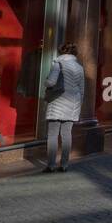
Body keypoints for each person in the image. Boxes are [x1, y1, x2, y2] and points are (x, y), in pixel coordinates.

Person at [43, 42, 85, 172]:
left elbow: (51, 82)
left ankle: (51, 165)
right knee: (67, 134)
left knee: (52, 135)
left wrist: (45, 81)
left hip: (57, 102)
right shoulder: (79, 67)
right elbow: (82, 89)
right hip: (72, 103)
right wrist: (78, 105)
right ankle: (64, 165)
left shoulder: (58, 63)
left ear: (61, 51)